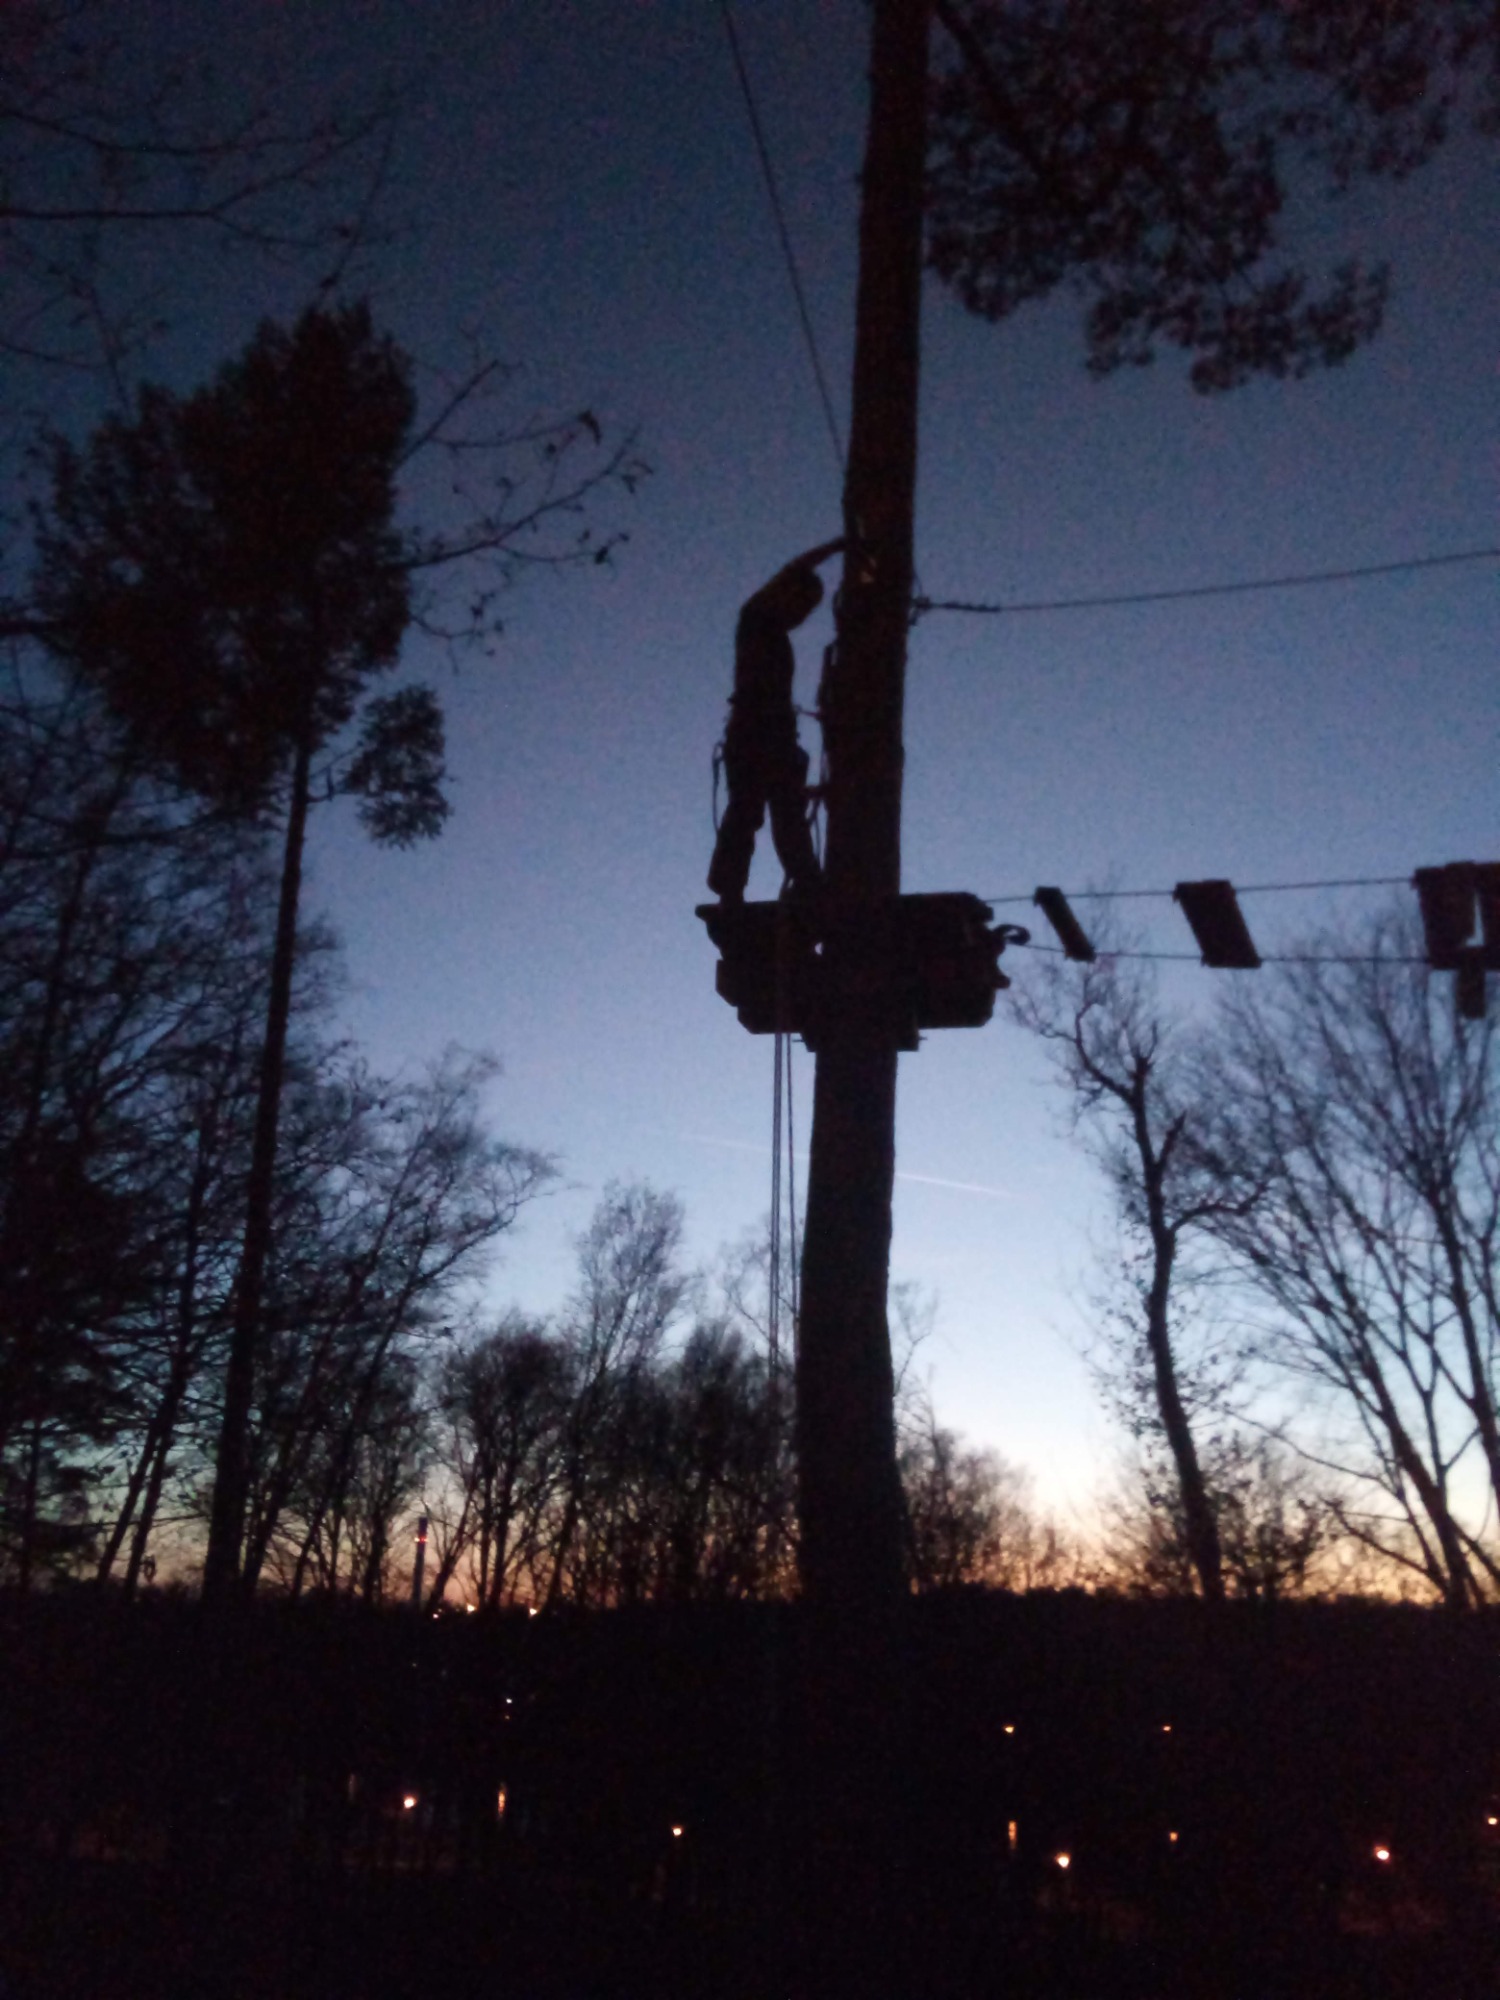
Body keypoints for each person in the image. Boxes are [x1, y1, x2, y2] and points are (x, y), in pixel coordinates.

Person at [707, 537, 843, 905]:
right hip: (753, 729)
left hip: (773, 733)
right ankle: (733, 888)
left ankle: (807, 883)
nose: (801, 616)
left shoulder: (774, 635)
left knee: (783, 814)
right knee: (750, 811)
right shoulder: (756, 618)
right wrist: (840, 546)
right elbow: (795, 568)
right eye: (802, 605)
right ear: (786, 594)